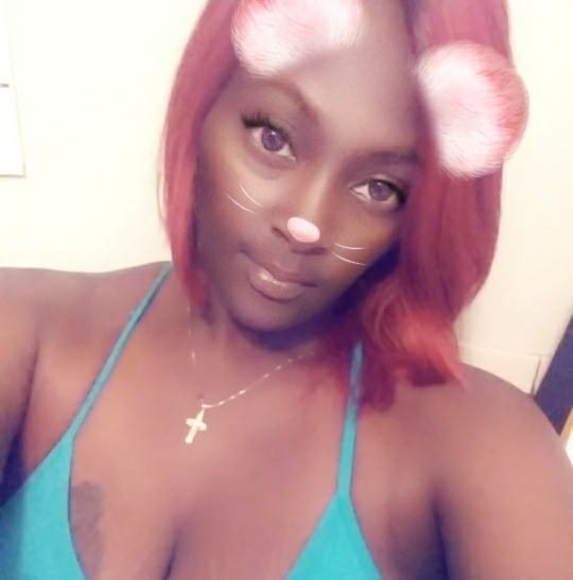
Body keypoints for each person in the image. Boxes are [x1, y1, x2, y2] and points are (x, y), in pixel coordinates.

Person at [0, 0, 572, 578]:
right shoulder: (24, 331)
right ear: (205, 104)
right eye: (273, 138)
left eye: (379, 188)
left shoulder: (486, 447)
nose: (307, 224)